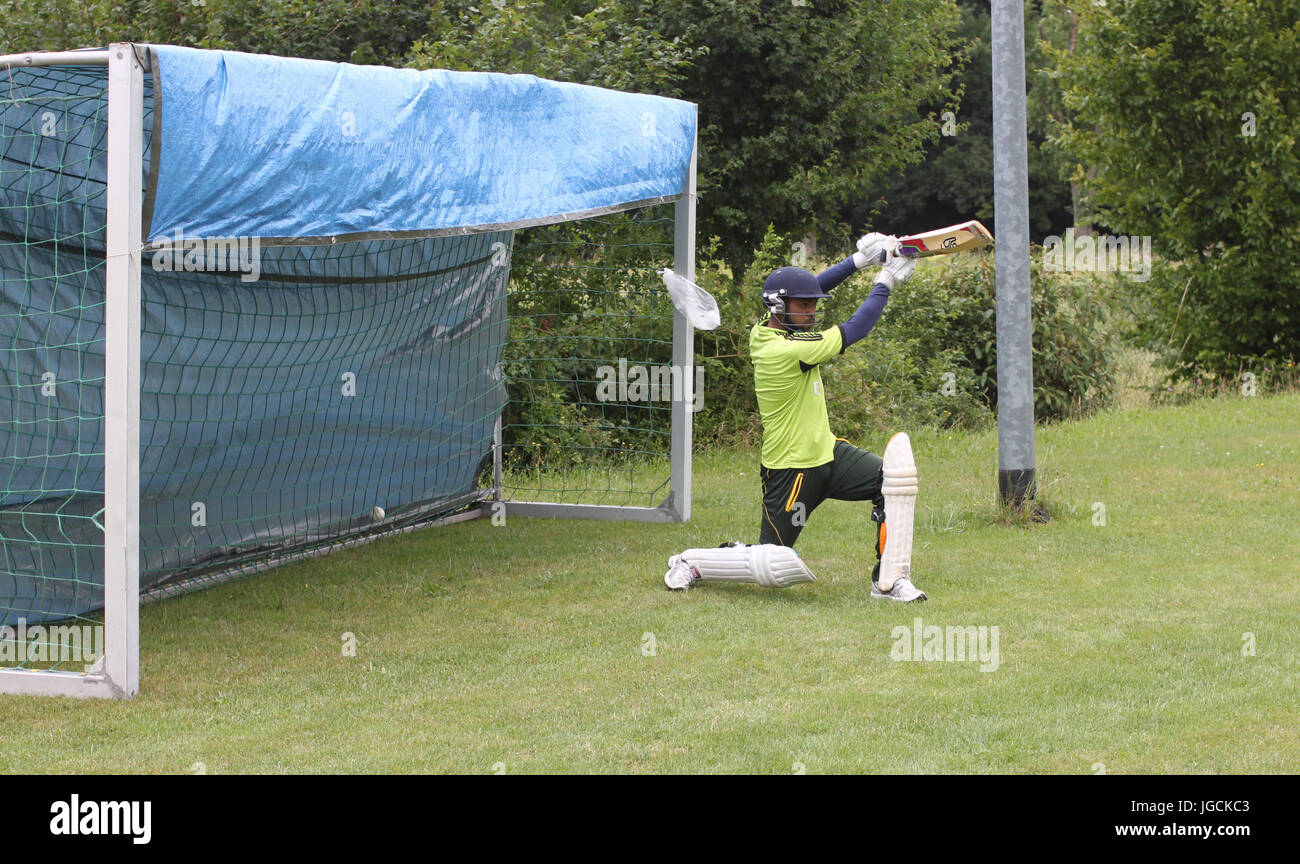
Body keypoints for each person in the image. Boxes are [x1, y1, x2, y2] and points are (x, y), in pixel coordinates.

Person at [663, 233, 928, 601]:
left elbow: (810, 287)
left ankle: (888, 581)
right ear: (779, 308)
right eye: (804, 307)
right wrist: (885, 280)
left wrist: (859, 261)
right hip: (791, 471)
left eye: (811, 306)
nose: (811, 312)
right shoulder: (785, 350)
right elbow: (856, 329)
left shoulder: (768, 326)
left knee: (892, 483)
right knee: (772, 562)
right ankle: (692, 561)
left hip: (828, 455)